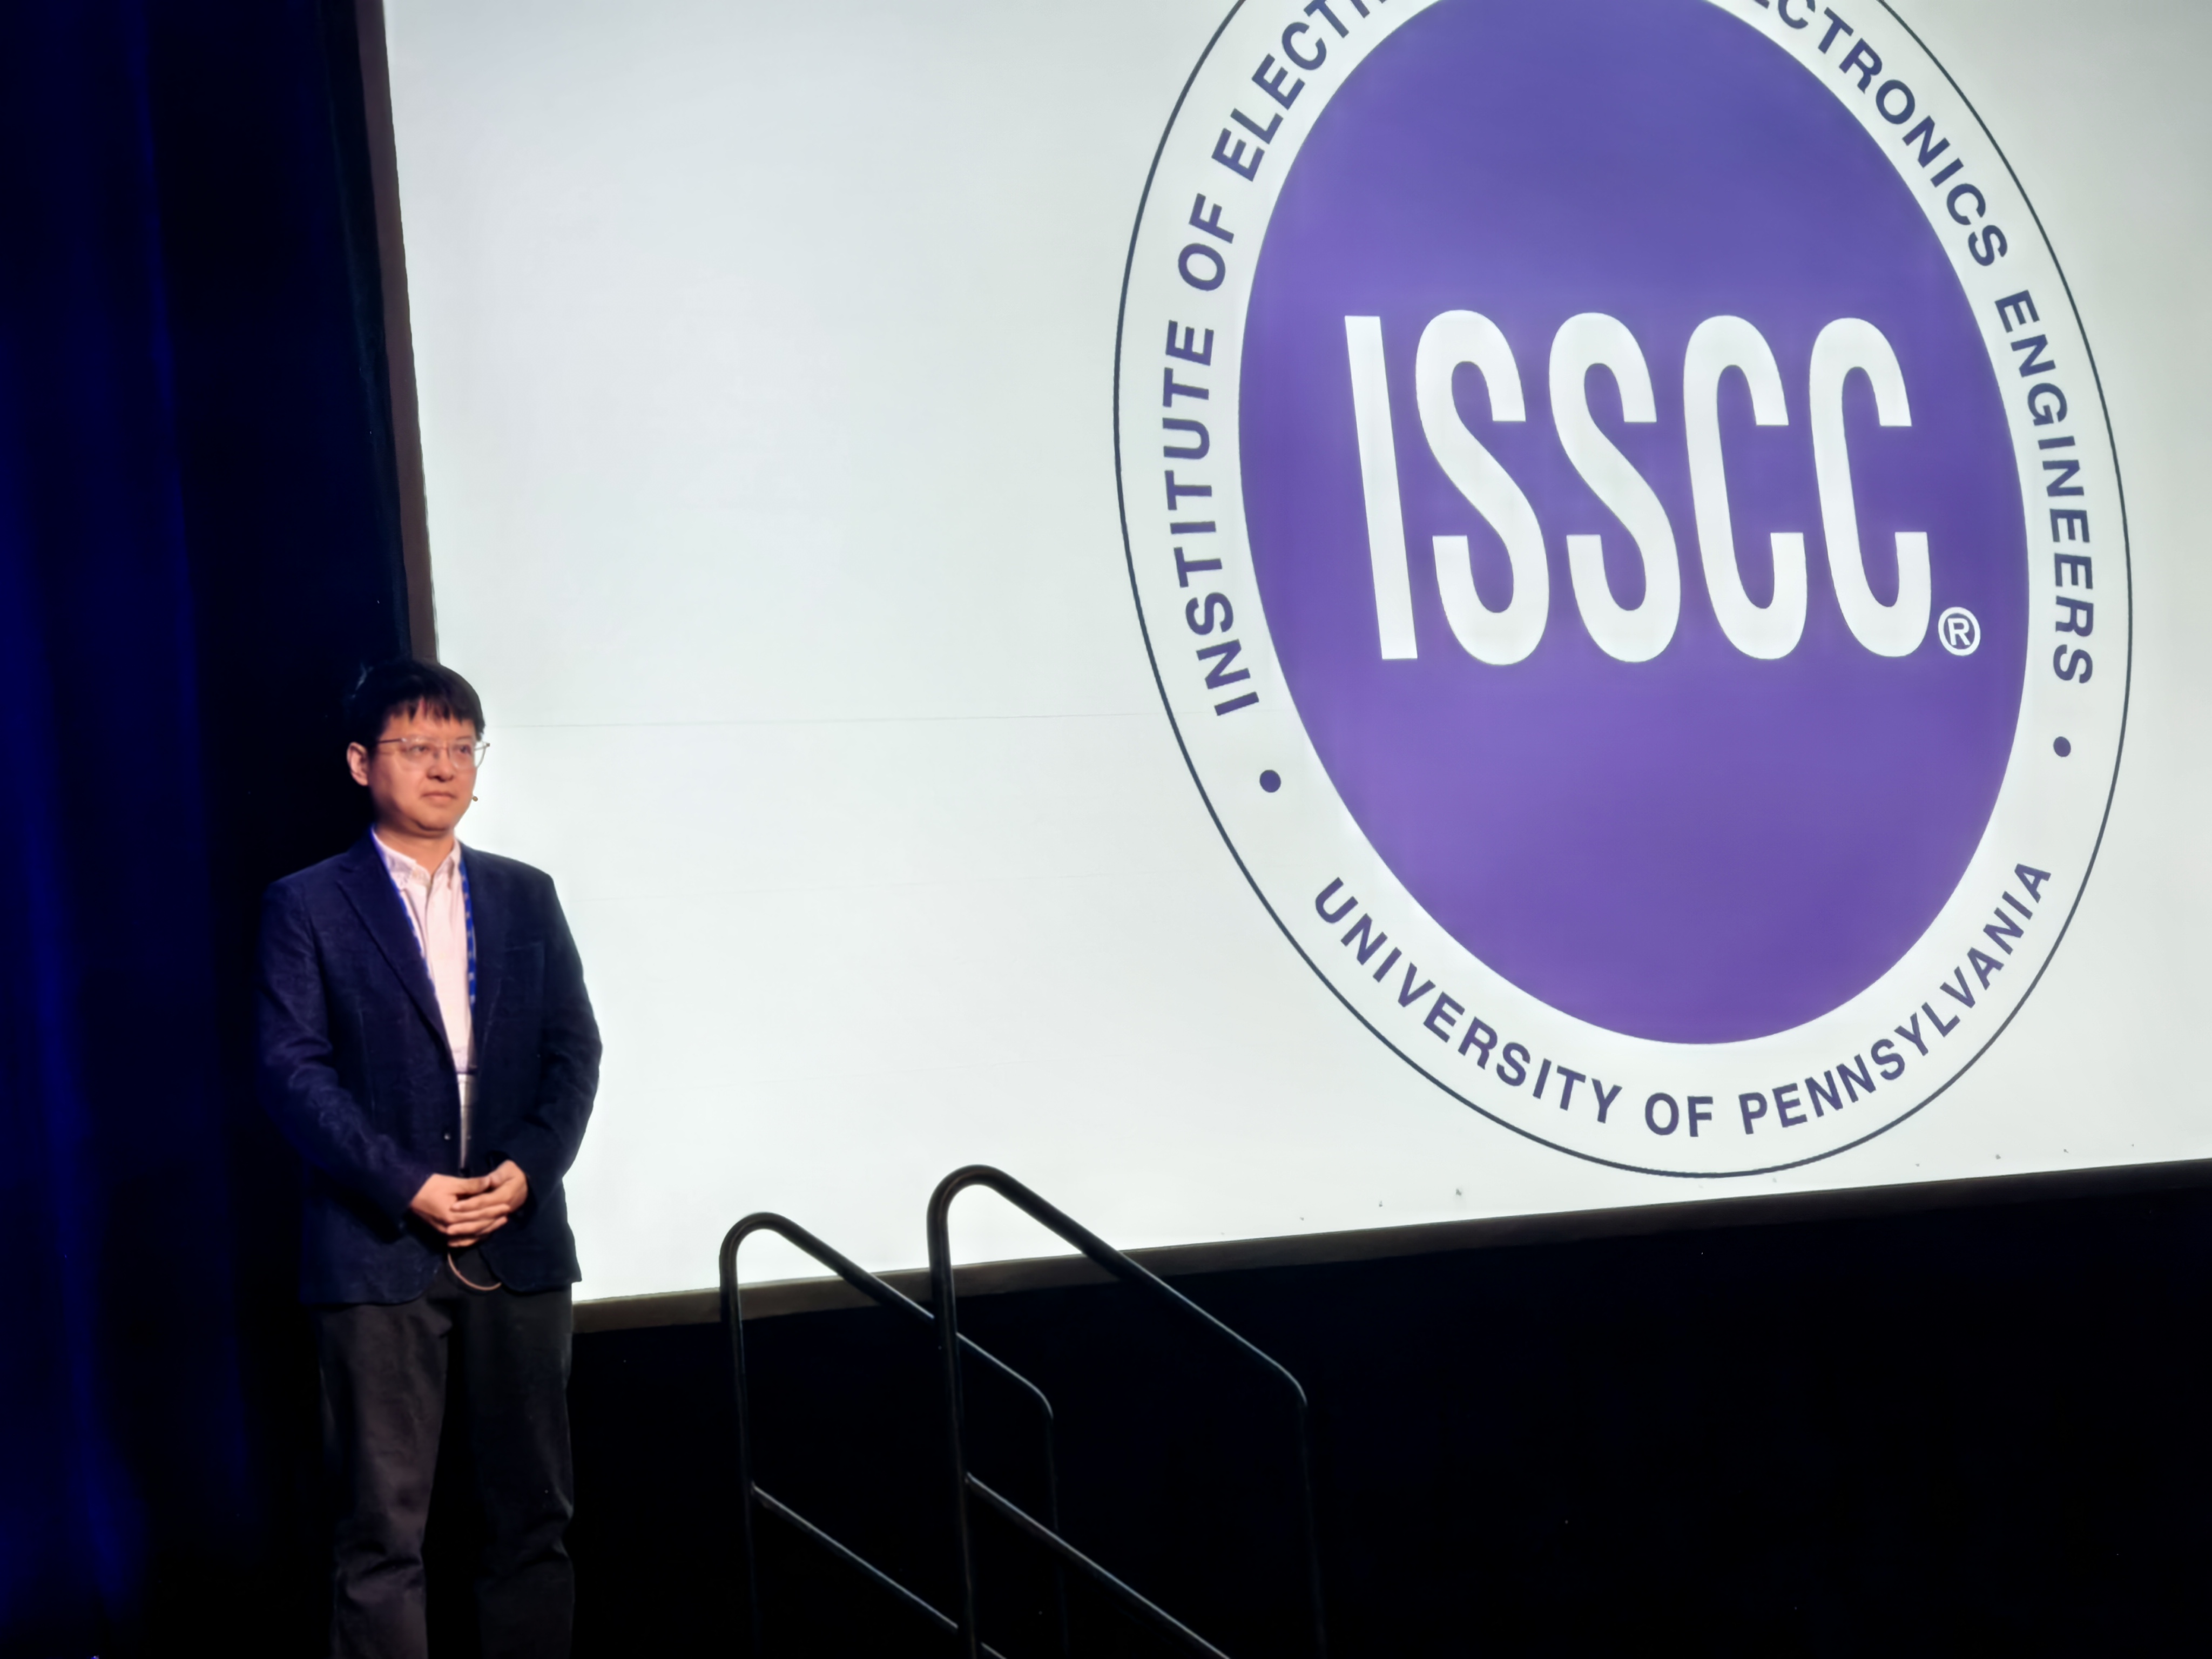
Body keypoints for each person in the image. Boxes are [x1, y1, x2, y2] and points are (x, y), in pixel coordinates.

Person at [258, 658, 602, 1659]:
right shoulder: (307, 904)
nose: (445, 768)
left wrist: (529, 1169)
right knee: (381, 1538)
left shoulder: (526, 895)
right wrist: (407, 1185)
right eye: (417, 747)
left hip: (518, 1243)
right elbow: (290, 1071)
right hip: (375, 1252)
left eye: (461, 748)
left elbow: (574, 1054)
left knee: (533, 1526)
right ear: (362, 762)